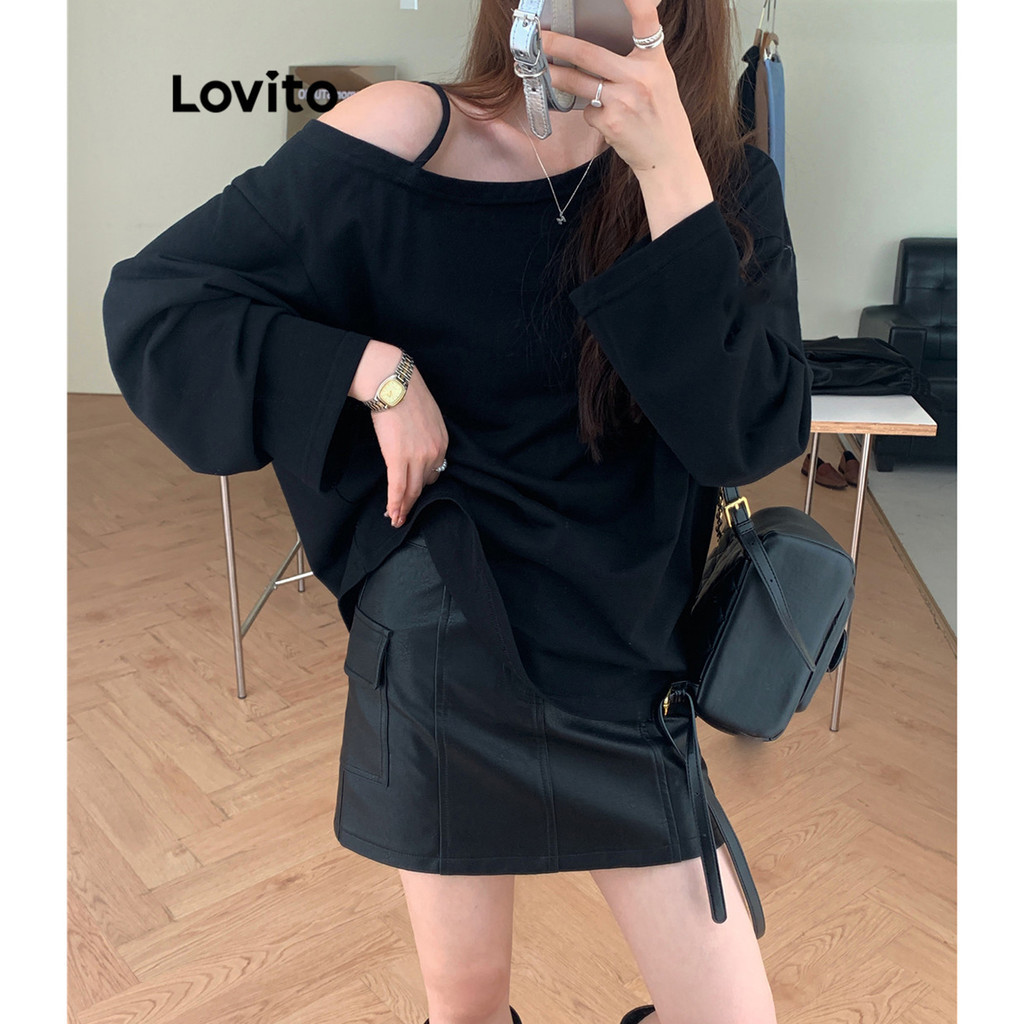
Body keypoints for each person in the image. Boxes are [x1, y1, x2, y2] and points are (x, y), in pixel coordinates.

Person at [103, 2, 811, 1022]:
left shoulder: (725, 182)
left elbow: (745, 435)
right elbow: (158, 304)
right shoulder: (405, 133)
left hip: (628, 661)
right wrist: (370, 371)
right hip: (449, 638)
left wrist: (667, 173)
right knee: (466, 1005)